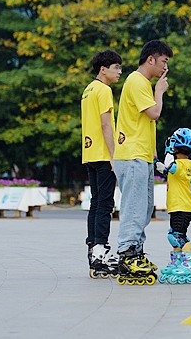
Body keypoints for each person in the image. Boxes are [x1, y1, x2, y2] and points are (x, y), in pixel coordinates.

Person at [114, 40, 173, 286]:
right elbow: (154, 114)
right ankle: (127, 255)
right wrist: (159, 91)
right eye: (164, 61)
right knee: (135, 207)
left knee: (145, 207)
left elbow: (147, 124)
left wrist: (155, 156)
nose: (165, 68)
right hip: (132, 155)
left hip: (143, 155)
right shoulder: (137, 81)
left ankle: (136, 251)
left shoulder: (142, 84)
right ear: (151, 59)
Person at [81, 50, 122, 279]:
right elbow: (106, 125)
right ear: (103, 69)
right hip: (104, 154)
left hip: (89, 153)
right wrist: (114, 155)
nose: (119, 72)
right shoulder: (104, 90)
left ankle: (93, 250)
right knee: (105, 205)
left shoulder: (88, 90)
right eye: (116, 67)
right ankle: (102, 251)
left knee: (95, 203)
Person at [155, 128, 191, 284]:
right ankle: (178, 262)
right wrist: (156, 162)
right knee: (174, 234)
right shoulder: (180, 165)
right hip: (177, 206)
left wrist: (168, 150)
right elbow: (165, 169)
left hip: (182, 206)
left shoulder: (183, 164)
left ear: (175, 147)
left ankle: (190, 264)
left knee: (177, 236)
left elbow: (170, 165)